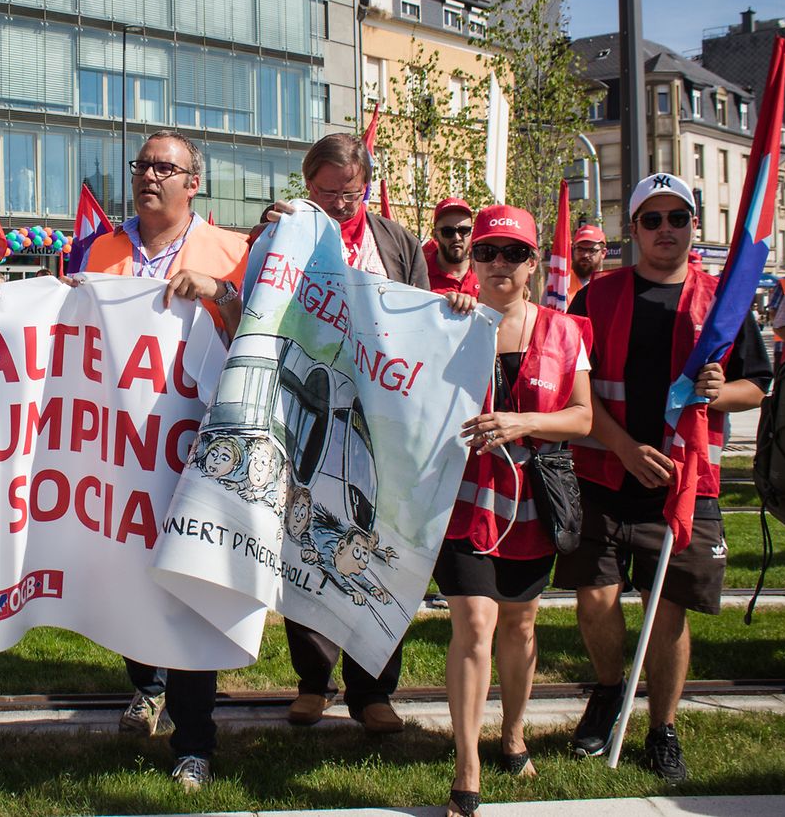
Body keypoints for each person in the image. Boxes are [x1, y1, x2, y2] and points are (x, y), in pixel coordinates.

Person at [553, 173, 771, 783]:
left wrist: (721, 392)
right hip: (603, 471)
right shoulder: (595, 297)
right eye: (653, 219)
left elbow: (758, 383)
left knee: (667, 611)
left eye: (678, 218)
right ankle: (608, 691)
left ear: (693, 227)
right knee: (595, 599)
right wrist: (622, 448)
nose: (666, 230)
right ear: (634, 229)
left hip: (683, 482)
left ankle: (661, 729)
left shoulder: (720, 301)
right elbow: (574, 387)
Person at [76, 129, 248, 792]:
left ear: (192, 182)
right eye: (142, 164)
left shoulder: (230, 250)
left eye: (164, 167)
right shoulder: (102, 249)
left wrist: (220, 294)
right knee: (128, 575)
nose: (149, 175)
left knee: (190, 587)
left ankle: (194, 739)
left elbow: (258, 334)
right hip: (119, 450)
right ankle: (145, 685)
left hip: (196, 451)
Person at [267, 132, 429, 735]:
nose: (338, 204)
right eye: (326, 192)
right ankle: (313, 681)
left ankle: (373, 690)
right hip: (307, 400)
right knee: (305, 535)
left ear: (368, 188)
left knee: (375, 542)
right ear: (307, 185)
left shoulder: (397, 241)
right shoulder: (290, 230)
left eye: (350, 194)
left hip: (381, 412)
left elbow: (424, 316)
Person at [438, 205, 592, 817]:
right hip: (462, 496)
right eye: (487, 252)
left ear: (533, 264)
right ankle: (467, 764)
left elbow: (581, 418)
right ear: (472, 259)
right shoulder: (448, 319)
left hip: (532, 497)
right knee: (474, 623)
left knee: (520, 623)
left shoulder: (565, 331)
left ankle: (513, 733)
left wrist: (522, 421)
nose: (499, 264)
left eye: (513, 253)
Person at [428, 197, 478, 308]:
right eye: (448, 231)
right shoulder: (420, 276)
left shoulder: (486, 272)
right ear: (435, 235)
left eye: (464, 231)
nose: (457, 237)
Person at [571, 225, 608, 293]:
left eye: (591, 251)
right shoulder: (561, 284)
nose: (585, 255)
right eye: (580, 250)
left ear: (603, 253)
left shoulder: (610, 286)